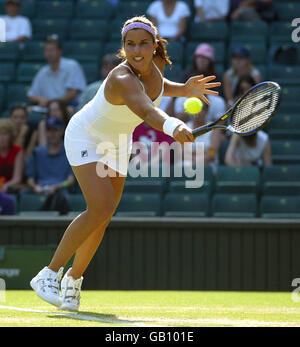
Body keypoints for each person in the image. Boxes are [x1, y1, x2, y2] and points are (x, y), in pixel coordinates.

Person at [30, 16, 220, 312]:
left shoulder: (154, 71)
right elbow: (146, 108)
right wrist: (172, 127)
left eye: (143, 43)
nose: (137, 50)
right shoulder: (122, 78)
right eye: (130, 44)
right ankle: (48, 274)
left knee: (104, 216)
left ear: (155, 45)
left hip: (117, 144)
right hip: (85, 138)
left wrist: (183, 89)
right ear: (123, 48)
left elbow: (158, 89)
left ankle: (73, 280)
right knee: (100, 207)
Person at [23, 117, 75, 213]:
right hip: (40, 190)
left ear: (61, 131)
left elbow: (70, 181)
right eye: (49, 131)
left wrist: (57, 186)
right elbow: (30, 179)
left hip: (60, 190)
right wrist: (35, 187)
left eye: (55, 130)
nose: (52, 134)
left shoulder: (69, 152)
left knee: (60, 197)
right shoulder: (37, 152)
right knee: (23, 194)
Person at [27, 35, 87, 110]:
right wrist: (40, 99)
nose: (49, 53)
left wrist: (55, 104)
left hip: (69, 106)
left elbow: (72, 93)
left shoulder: (72, 66)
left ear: (60, 51)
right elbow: (31, 96)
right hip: (49, 109)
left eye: (52, 50)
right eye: (46, 50)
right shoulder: (42, 71)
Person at [0, 118, 24, 194]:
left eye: (5, 134)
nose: (1, 138)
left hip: (11, 188)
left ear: (11, 136)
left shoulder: (18, 150)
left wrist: (5, 186)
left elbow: (17, 178)